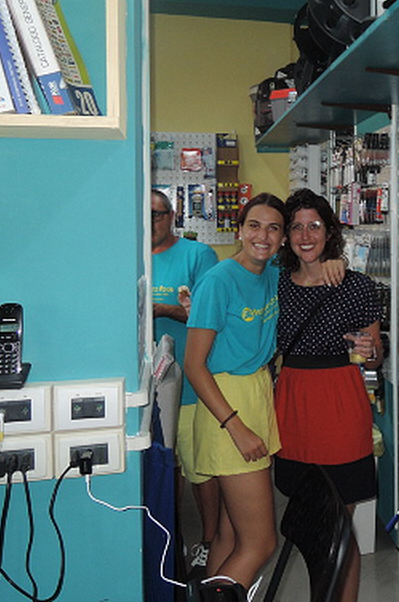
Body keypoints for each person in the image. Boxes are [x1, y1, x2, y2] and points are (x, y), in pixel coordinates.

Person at [184, 193, 344, 596]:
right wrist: (235, 426)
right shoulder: (218, 281)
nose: (264, 236)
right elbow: (194, 365)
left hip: (257, 395)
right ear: (239, 230)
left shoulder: (272, 272)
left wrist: (335, 261)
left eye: (274, 228)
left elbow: (311, 264)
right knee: (260, 543)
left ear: (283, 237)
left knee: (230, 533)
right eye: (254, 226)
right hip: (227, 407)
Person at [273, 188, 382, 602]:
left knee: (339, 528)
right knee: (309, 527)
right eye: (296, 227)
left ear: (330, 231)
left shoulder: (355, 286)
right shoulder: (275, 285)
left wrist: (371, 352)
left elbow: (375, 356)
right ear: (286, 235)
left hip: (341, 409)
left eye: (314, 226)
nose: (306, 236)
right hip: (293, 411)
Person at [150, 189, 218, 572]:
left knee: (199, 469)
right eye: (144, 215)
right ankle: (169, 539)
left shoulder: (198, 256)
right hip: (147, 387)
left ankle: (209, 541)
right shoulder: (129, 255)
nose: (151, 222)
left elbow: (209, 313)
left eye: (158, 214)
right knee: (163, 467)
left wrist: (164, 310)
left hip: (189, 385)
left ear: (172, 216)